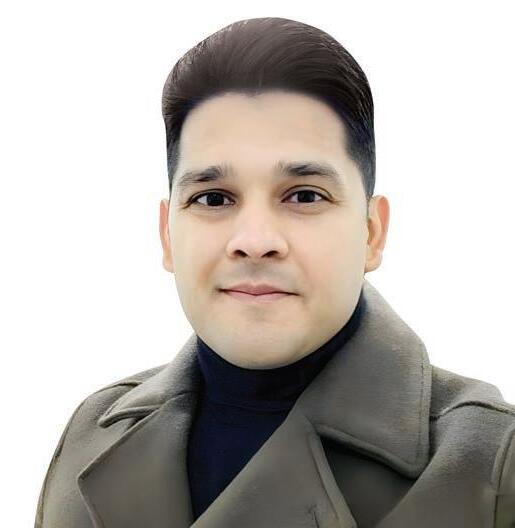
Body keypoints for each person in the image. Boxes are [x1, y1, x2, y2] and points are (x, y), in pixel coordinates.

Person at [35, 17, 515, 528]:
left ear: (372, 232)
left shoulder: (491, 465)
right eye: (213, 199)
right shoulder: (93, 435)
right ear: (167, 235)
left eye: (304, 196)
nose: (255, 239)